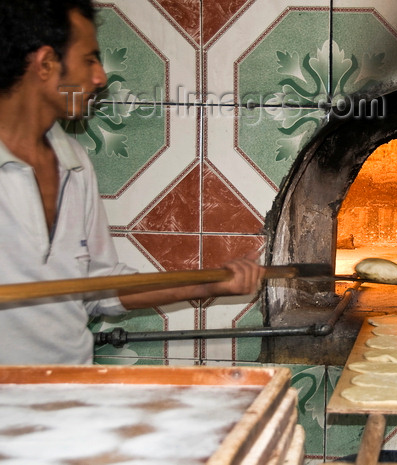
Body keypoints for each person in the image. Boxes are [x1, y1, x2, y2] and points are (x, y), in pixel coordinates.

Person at [0, 0, 265, 364]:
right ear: (46, 64)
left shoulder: (74, 162)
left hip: (73, 387)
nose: (100, 78)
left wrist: (210, 284)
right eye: (89, 59)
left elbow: (100, 286)